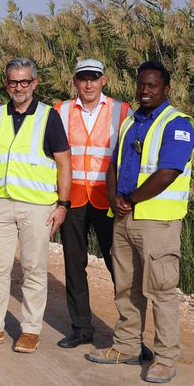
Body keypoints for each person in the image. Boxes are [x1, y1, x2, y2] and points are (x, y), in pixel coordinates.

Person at [86, 61, 194, 384]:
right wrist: (112, 198)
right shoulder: (132, 120)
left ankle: (165, 358)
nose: (145, 91)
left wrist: (131, 199)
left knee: (161, 290)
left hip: (156, 222)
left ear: (166, 89)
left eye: (152, 86)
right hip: (123, 217)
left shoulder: (177, 123)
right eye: (142, 85)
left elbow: (168, 172)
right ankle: (126, 345)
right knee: (126, 288)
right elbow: (114, 164)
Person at [0, 57, 71, 354]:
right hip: (0, 203)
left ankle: (31, 330)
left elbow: (64, 162)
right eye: (13, 82)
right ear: (6, 83)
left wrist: (62, 204)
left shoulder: (48, 117)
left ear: (34, 83)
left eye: (25, 81)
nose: (19, 87)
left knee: (33, 269)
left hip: (37, 207)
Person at [53, 59, 130, 349]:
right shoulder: (61, 111)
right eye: (83, 78)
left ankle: (129, 335)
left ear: (104, 80)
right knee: (74, 265)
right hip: (73, 199)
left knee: (119, 267)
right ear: (75, 81)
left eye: (94, 78)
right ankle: (82, 328)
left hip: (108, 200)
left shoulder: (122, 111)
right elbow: (54, 156)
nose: (88, 84)